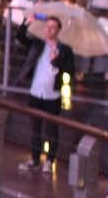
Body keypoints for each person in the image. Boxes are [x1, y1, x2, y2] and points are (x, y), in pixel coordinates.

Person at [16, 16, 74, 171]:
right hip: (36, 92)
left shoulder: (64, 50)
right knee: (36, 127)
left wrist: (57, 61)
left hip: (52, 95)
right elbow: (21, 37)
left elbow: (71, 70)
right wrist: (27, 21)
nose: (49, 30)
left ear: (58, 30)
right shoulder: (38, 43)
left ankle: (49, 160)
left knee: (51, 129)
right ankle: (35, 159)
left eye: (53, 27)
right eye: (47, 27)